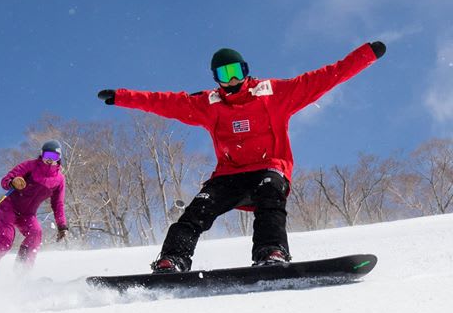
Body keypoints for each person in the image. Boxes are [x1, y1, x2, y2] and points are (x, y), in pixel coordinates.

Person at [97, 41, 386, 272]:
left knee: (270, 198)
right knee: (197, 211)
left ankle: (271, 252)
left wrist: (366, 55)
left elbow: (324, 77)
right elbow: (165, 102)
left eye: (236, 71)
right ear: (215, 79)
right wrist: (124, 97)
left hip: (268, 168)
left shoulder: (273, 94)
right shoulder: (208, 105)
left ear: (246, 70)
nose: (232, 80)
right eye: (224, 75)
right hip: (229, 175)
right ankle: (172, 259)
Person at [0, 140, 69, 271]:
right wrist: (12, 182)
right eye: (46, 155)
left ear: (59, 158)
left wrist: (62, 226)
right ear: (42, 155)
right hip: (10, 207)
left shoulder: (59, 180)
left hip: (28, 215)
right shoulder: (30, 166)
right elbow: (5, 181)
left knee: (36, 234)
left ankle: (21, 271)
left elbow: (58, 204)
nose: (49, 159)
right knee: (5, 240)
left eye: (53, 157)